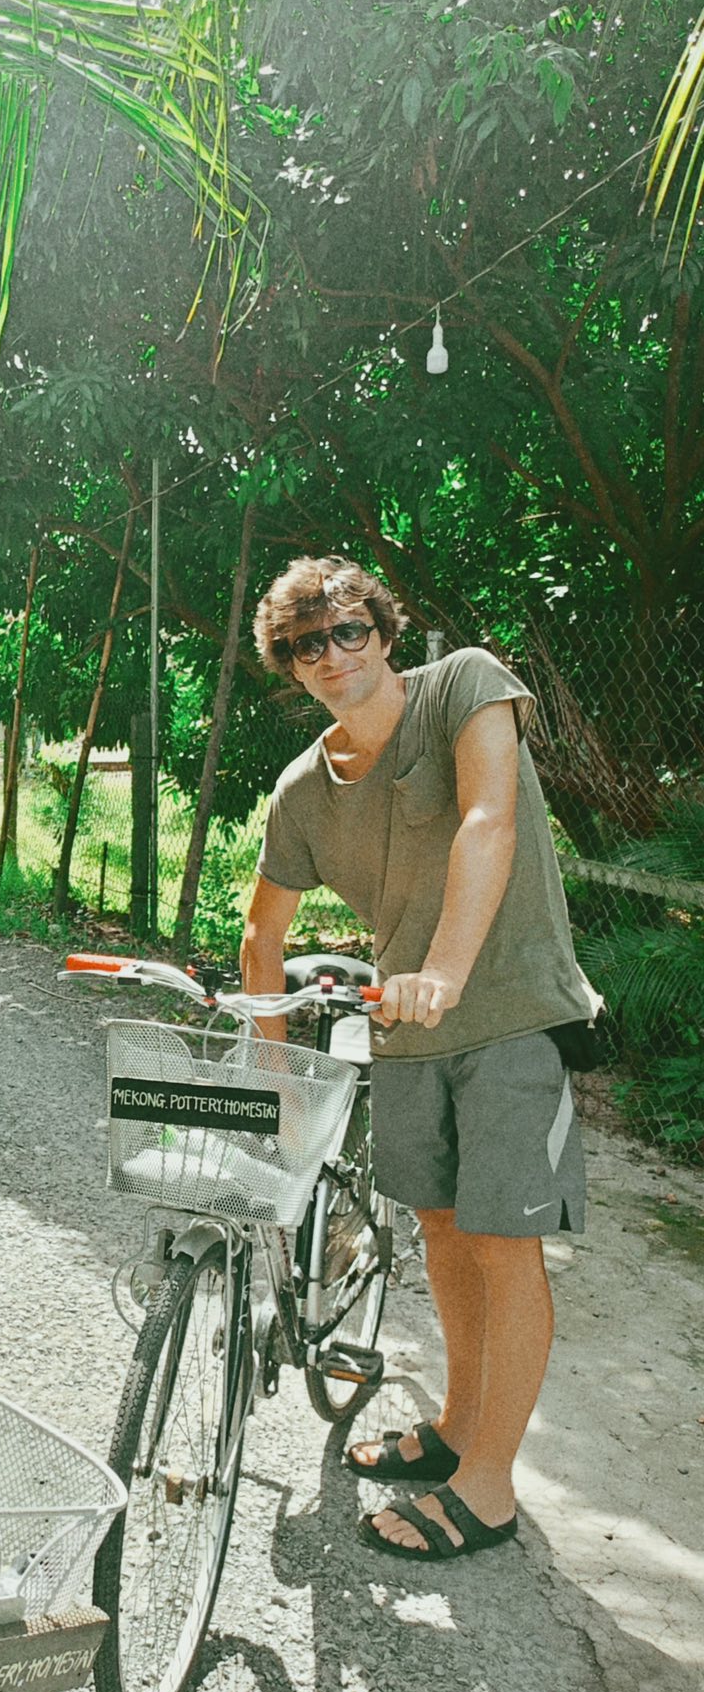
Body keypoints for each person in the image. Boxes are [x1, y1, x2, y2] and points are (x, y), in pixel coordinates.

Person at [241, 556, 598, 1563]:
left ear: (386, 633)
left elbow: (488, 816)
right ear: (291, 666)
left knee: (503, 1240)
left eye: (349, 630)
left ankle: (487, 1486)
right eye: (307, 644)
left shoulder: (464, 687)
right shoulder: (303, 792)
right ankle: (455, 1424)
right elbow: (260, 937)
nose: (332, 655)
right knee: (441, 1229)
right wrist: (279, 1082)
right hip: (405, 1030)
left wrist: (441, 970)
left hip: (509, 1013)